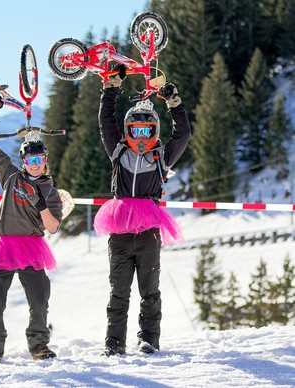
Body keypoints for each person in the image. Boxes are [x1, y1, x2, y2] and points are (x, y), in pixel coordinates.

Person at [95, 66, 191, 356]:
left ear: (154, 131)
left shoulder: (161, 156)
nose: (140, 135)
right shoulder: (118, 150)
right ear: (128, 131)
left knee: (150, 290)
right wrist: (111, 90)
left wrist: (174, 104)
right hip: (120, 231)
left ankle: (149, 338)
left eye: (145, 130)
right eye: (135, 130)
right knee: (118, 291)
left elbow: (183, 134)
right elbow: (105, 122)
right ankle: (114, 343)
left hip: (148, 230)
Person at [0, 106, 64, 364]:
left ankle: (38, 346)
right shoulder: (11, 177)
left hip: (31, 248)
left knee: (39, 301)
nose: (35, 165)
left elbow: (53, 227)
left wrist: (41, 206)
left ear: (45, 161)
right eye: (30, 161)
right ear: (24, 161)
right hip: (3, 246)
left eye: (39, 161)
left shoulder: (50, 191)